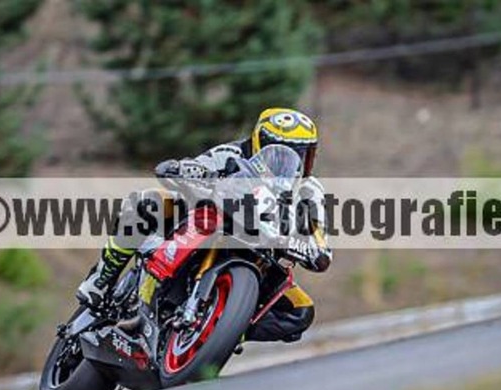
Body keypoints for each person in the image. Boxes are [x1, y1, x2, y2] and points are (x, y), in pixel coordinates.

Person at [77, 107, 332, 343]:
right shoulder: (232, 154)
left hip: (261, 254)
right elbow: (198, 166)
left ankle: (222, 333)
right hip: (211, 225)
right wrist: (187, 170)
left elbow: (318, 237)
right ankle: (102, 279)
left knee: (300, 311)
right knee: (148, 202)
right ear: (258, 142)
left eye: (300, 153)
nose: (287, 163)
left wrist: (312, 249)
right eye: (278, 152)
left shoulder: (310, 190)